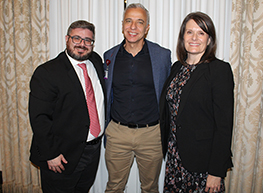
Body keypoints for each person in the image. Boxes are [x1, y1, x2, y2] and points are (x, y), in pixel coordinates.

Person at [160, 12, 234, 193]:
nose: (194, 38)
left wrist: (216, 171)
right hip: (175, 158)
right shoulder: (177, 68)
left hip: (203, 163)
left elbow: (224, 125)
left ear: (209, 39)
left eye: (201, 33)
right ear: (182, 37)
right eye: (189, 32)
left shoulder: (219, 70)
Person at [28, 20, 106, 193]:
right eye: (77, 38)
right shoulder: (47, 72)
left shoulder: (95, 61)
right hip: (62, 155)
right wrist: (51, 154)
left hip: (92, 150)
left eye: (88, 40)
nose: (82, 44)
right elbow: (39, 118)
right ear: (67, 39)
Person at [103, 3, 171, 193]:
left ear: (147, 28)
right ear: (122, 24)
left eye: (139, 22)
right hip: (117, 133)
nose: (133, 27)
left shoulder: (162, 56)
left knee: (150, 188)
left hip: (151, 135)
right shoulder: (109, 56)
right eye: (129, 21)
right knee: (114, 186)